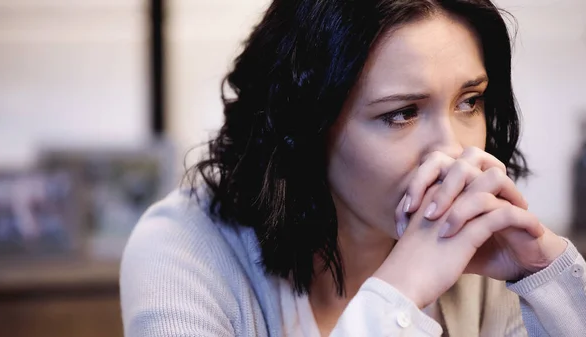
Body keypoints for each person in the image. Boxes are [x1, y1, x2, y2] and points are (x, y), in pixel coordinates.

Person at [120, 0, 586, 336]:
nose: (452, 153)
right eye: (401, 113)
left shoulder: (484, 250)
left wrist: (546, 276)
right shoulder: (182, 247)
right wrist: (399, 294)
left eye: (469, 102)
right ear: (306, 125)